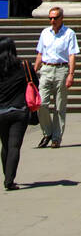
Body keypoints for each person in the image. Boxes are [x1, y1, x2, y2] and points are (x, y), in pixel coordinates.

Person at [34, 6, 78, 148]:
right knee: (41, 104)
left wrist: (71, 74)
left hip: (61, 69)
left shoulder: (69, 33)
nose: (52, 21)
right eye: (50, 18)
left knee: (59, 106)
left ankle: (56, 137)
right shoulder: (45, 33)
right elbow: (40, 53)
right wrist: (34, 70)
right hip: (46, 69)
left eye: (55, 18)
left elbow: (72, 55)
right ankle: (47, 132)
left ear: (61, 18)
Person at [0, 37, 30, 190]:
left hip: (1, 112)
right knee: (14, 146)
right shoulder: (24, 66)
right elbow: (34, 84)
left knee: (5, 145)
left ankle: (7, 175)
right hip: (19, 111)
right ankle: (9, 180)